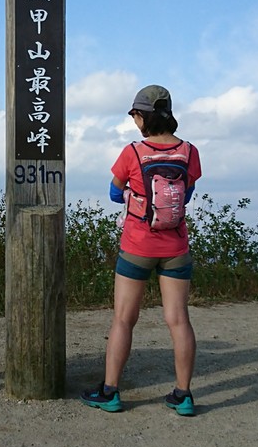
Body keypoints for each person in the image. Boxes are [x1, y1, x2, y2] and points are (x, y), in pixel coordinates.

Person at [80, 85, 202, 416]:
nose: (134, 120)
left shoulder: (132, 153)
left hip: (137, 245)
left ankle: (111, 391)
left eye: (135, 114)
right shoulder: (190, 152)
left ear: (143, 115)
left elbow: (114, 193)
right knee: (179, 320)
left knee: (123, 318)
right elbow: (187, 193)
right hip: (176, 246)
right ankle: (184, 395)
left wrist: (135, 200)